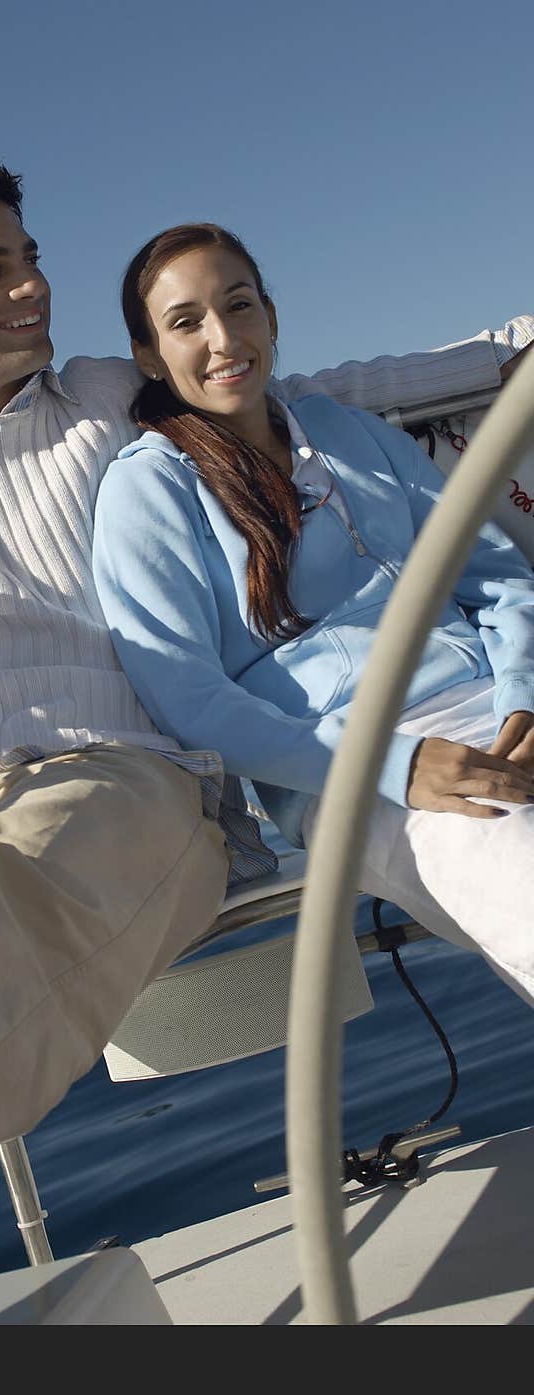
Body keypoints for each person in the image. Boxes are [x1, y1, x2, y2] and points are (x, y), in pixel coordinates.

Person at [0, 162, 528, 1328]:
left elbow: (299, 389)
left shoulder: (111, 394)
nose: (32, 287)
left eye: (28, 256)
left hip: (115, 774)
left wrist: (503, 352)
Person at [92, 222, 534, 1027]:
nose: (224, 338)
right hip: (353, 769)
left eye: (240, 305)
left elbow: (498, 576)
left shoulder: (343, 431)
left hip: (498, 706)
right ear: (149, 353)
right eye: (187, 322)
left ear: (270, 315)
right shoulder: (150, 490)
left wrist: (522, 698)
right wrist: (396, 766)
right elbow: (191, 702)